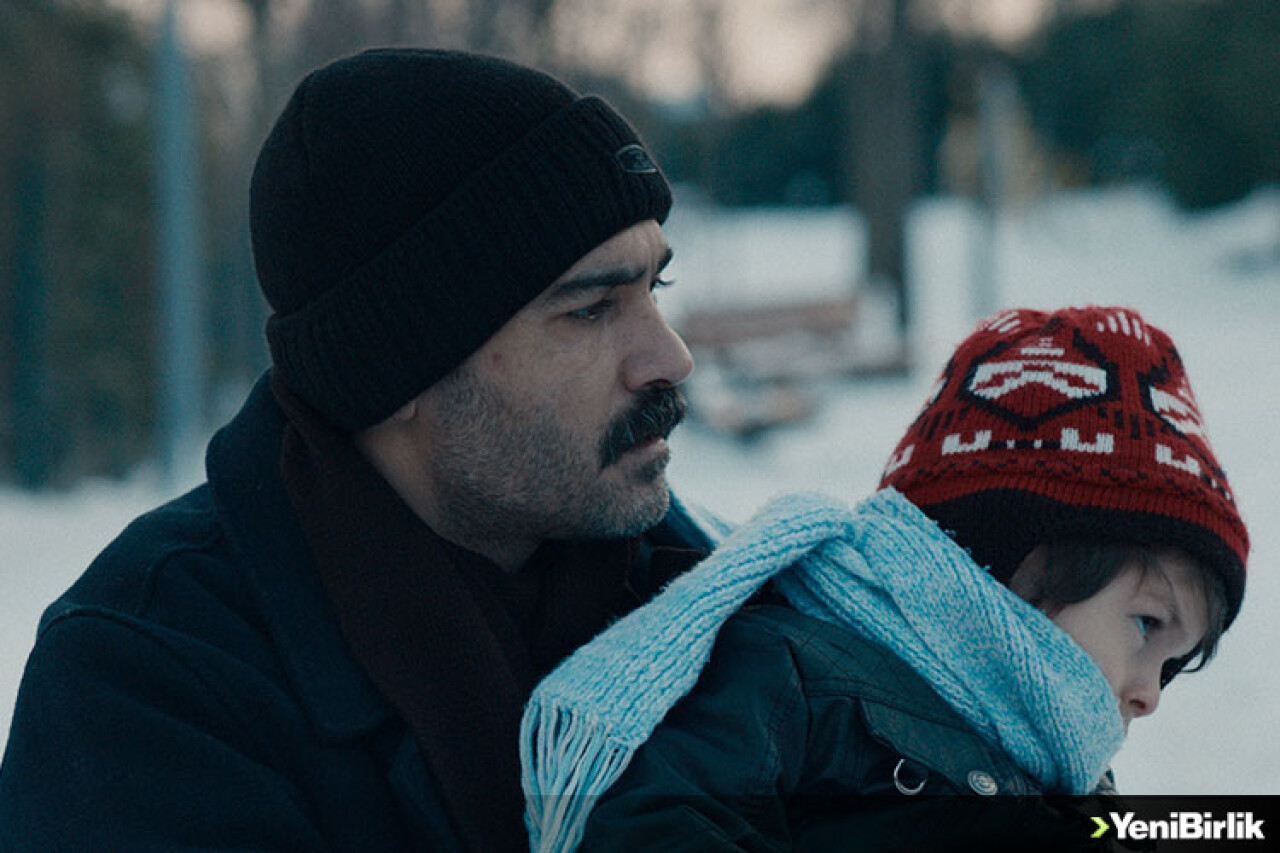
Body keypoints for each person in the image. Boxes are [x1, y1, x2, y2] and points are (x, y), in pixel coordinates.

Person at [0, 49, 713, 852]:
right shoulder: (145, 686)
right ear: (398, 365)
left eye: (654, 288)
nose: (670, 358)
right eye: (590, 309)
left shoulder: (704, 600)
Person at [521, 306, 1249, 852]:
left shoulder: (1064, 766)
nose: (1150, 694)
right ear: (1021, 558)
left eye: (1173, 663)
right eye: (1147, 626)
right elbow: (656, 823)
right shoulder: (792, 675)